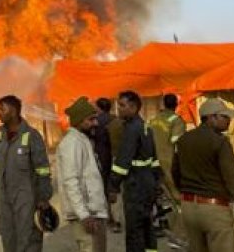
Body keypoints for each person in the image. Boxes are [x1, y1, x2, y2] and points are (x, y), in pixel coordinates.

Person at [173, 98, 234, 252]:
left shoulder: (183, 140)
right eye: (224, 117)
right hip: (214, 211)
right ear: (211, 118)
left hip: (189, 210)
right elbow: (232, 179)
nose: (229, 120)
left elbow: (175, 172)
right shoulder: (220, 142)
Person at [0, 95, 53, 252]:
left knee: (28, 238)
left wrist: (43, 197)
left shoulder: (32, 136)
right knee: (8, 236)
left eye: (2, 109)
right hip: (6, 198)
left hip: (27, 199)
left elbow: (42, 170)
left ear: (14, 111)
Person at [107, 90, 159, 252]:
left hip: (135, 186)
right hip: (148, 184)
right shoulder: (145, 127)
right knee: (147, 225)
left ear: (134, 107)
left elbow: (122, 162)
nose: (119, 109)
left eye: (122, 106)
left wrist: (113, 187)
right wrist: (156, 182)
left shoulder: (131, 129)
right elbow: (155, 159)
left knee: (134, 230)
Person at [57, 97, 107, 252]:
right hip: (87, 216)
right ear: (79, 120)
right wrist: (84, 214)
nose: (95, 123)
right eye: (90, 119)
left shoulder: (81, 140)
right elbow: (71, 181)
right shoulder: (72, 143)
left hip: (92, 213)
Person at [147, 93, 188, 248]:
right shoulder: (177, 121)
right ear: (176, 104)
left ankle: (165, 226)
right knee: (179, 200)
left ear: (164, 103)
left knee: (164, 199)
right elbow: (178, 144)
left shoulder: (153, 120)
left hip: (152, 164)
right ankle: (178, 236)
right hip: (169, 164)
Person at [93, 97, 122, 234]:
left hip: (102, 158)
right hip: (116, 158)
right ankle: (117, 220)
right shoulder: (117, 120)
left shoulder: (96, 121)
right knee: (115, 187)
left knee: (103, 187)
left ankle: (108, 218)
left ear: (99, 108)